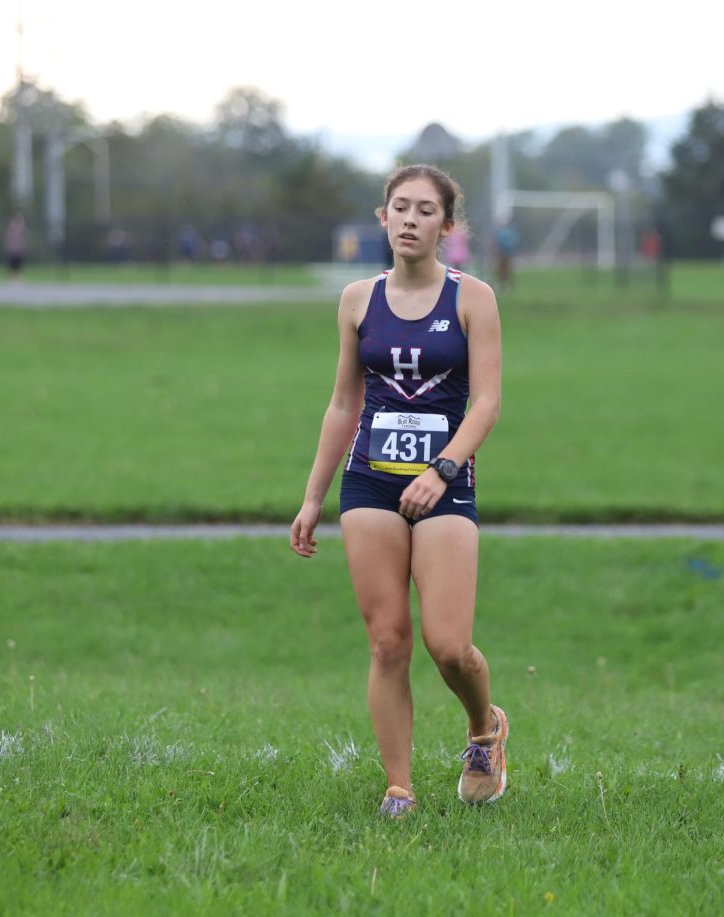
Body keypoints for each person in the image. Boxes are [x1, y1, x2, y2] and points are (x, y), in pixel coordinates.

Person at [290, 164, 507, 818]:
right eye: (399, 208)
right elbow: (342, 404)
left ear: (446, 225)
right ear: (382, 218)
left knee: (448, 644)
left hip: (444, 482)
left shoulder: (474, 298)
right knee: (388, 640)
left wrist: (440, 469)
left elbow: (488, 402)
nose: (410, 219)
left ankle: (484, 729)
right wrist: (311, 497)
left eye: (425, 210)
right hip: (370, 482)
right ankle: (399, 787)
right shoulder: (358, 299)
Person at [4, 215, 27, 280]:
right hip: (13, 251)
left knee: (19, 266)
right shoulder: (12, 230)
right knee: (12, 266)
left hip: (18, 251)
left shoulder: (20, 231)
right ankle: (12, 278)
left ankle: (17, 278)